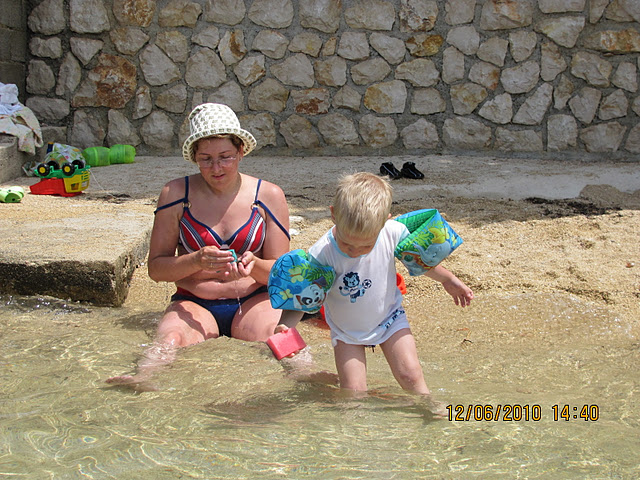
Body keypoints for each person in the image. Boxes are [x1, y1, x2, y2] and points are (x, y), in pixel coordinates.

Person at [107, 103, 291, 390]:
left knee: (279, 335)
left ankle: (307, 376)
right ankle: (142, 378)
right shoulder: (175, 194)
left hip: (254, 301)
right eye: (206, 159)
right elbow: (156, 269)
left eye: (225, 157)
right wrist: (196, 261)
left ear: (241, 151)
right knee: (169, 339)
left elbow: (284, 275)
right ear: (194, 157)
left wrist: (253, 267)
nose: (216, 168)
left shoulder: (268, 195)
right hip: (194, 303)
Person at [276, 172, 473, 396]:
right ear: (333, 215)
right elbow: (305, 297)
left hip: (390, 318)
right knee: (353, 391)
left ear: (385, 221)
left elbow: (419, 261)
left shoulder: (392, 231)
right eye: (347, 243)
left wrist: (448, 279)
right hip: (347, 332)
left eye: (366, 246)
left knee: (411, 375)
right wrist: (286, 326)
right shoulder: (322, 253)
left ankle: (430, 410)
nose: (355, 251)